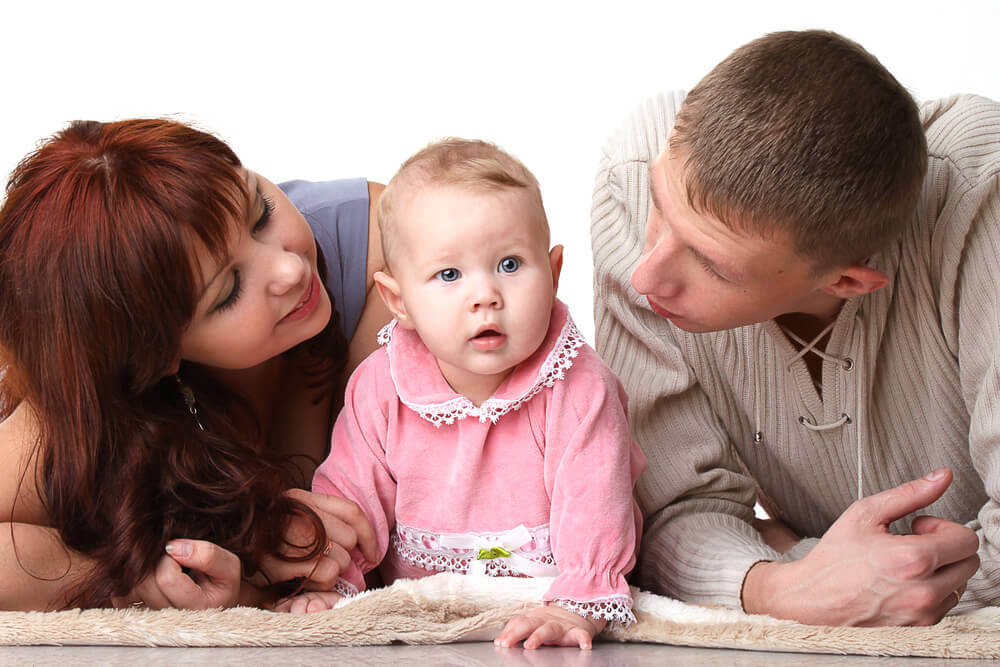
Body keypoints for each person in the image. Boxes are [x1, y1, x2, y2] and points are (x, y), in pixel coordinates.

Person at [592, 29, 999, 627]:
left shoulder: (980, 195)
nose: (645, 275)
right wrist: (779, 587)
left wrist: (799, 553)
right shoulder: (637, 168)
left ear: (848, 282)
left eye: (710, 264)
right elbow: (670, 510)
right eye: (662, 205)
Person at [0, 118, 393, 610]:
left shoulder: (388, 248)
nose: (289, 268)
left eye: (262, 211)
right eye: (228, 290)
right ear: (156, 354)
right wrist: (141, 575)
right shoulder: (81, 414)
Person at [279, 139, 646, 649]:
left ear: (555, 272)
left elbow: (597, 498)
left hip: (547, 592)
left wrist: (577, 604)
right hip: (421, 605)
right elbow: (352, 493)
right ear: (398, 301)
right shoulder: (382, 384)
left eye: (511, 265)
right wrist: (335, 584)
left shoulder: (576, 383)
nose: (485, 296)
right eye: (449, 275)